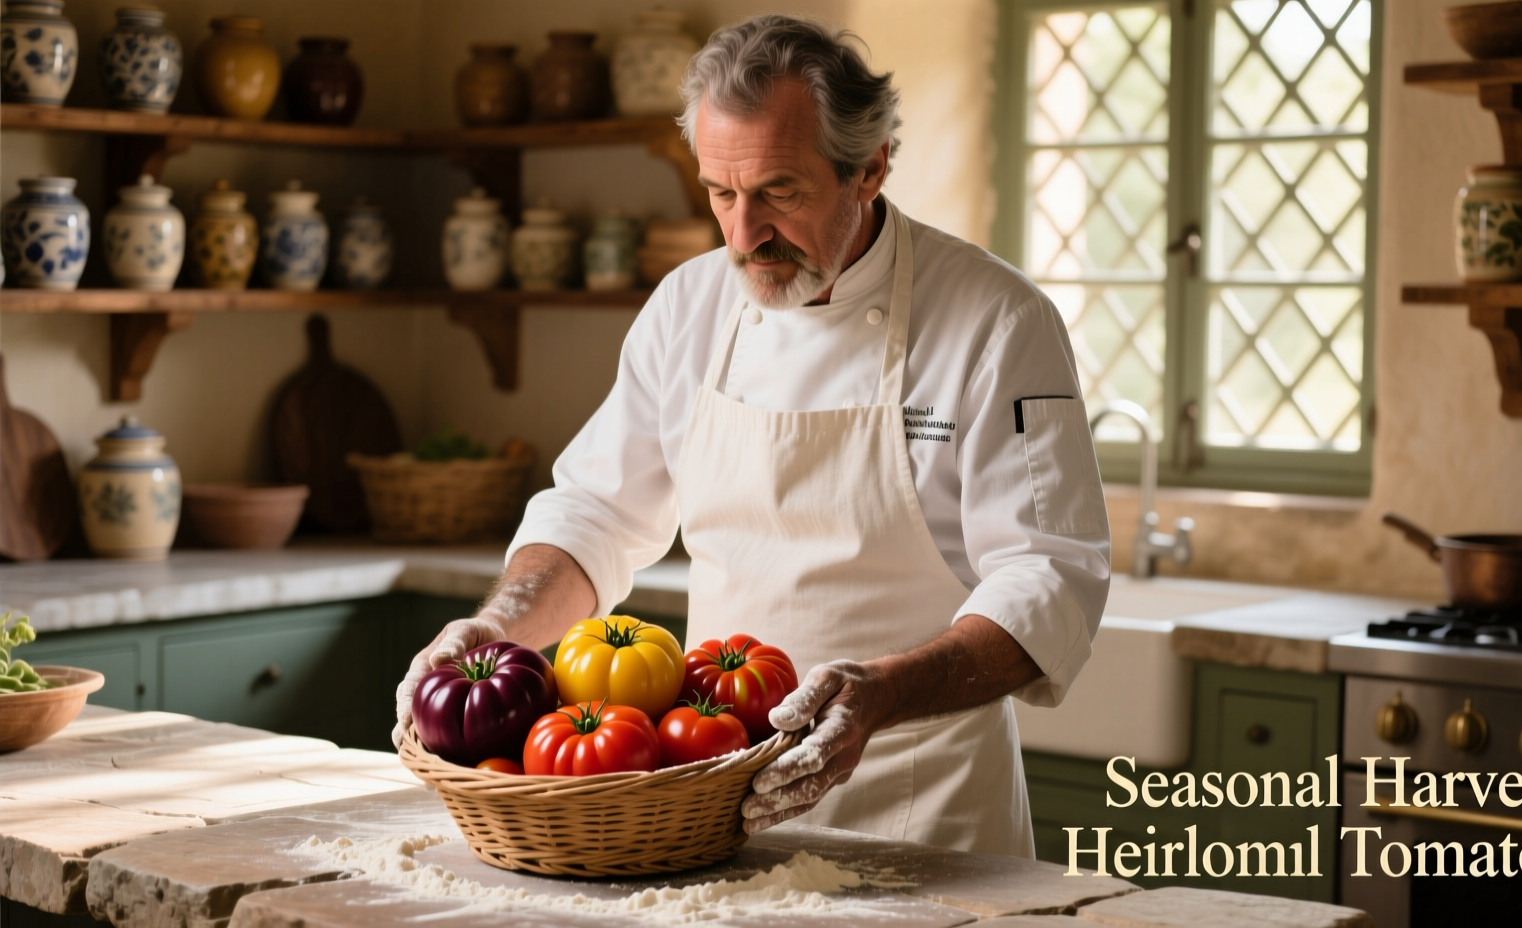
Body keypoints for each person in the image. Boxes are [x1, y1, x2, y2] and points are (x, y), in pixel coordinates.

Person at [393, 12, 1111, 859]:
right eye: (721, 194)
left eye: (779, 192)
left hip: (926, 809)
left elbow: (1049, 575)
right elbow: (596, 512)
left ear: (870, 168)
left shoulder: (997, 320)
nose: (743, 236)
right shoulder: (688, 306)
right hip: (714, 799)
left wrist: (881, 693)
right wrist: (503, 626)